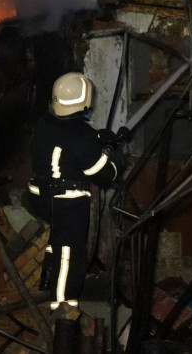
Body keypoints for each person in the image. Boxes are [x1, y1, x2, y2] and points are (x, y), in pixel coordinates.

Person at [28, 72, 122, 309]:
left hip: (40, 197)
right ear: (85, 100)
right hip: (67, 201)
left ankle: (48, 283)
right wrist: (115, 157)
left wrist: (97, 138)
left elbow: (65, 142)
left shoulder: (44, 122)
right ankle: (63, 309)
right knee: (70, 255)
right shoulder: (82, 134)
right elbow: (104, 175)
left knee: (57, 243)